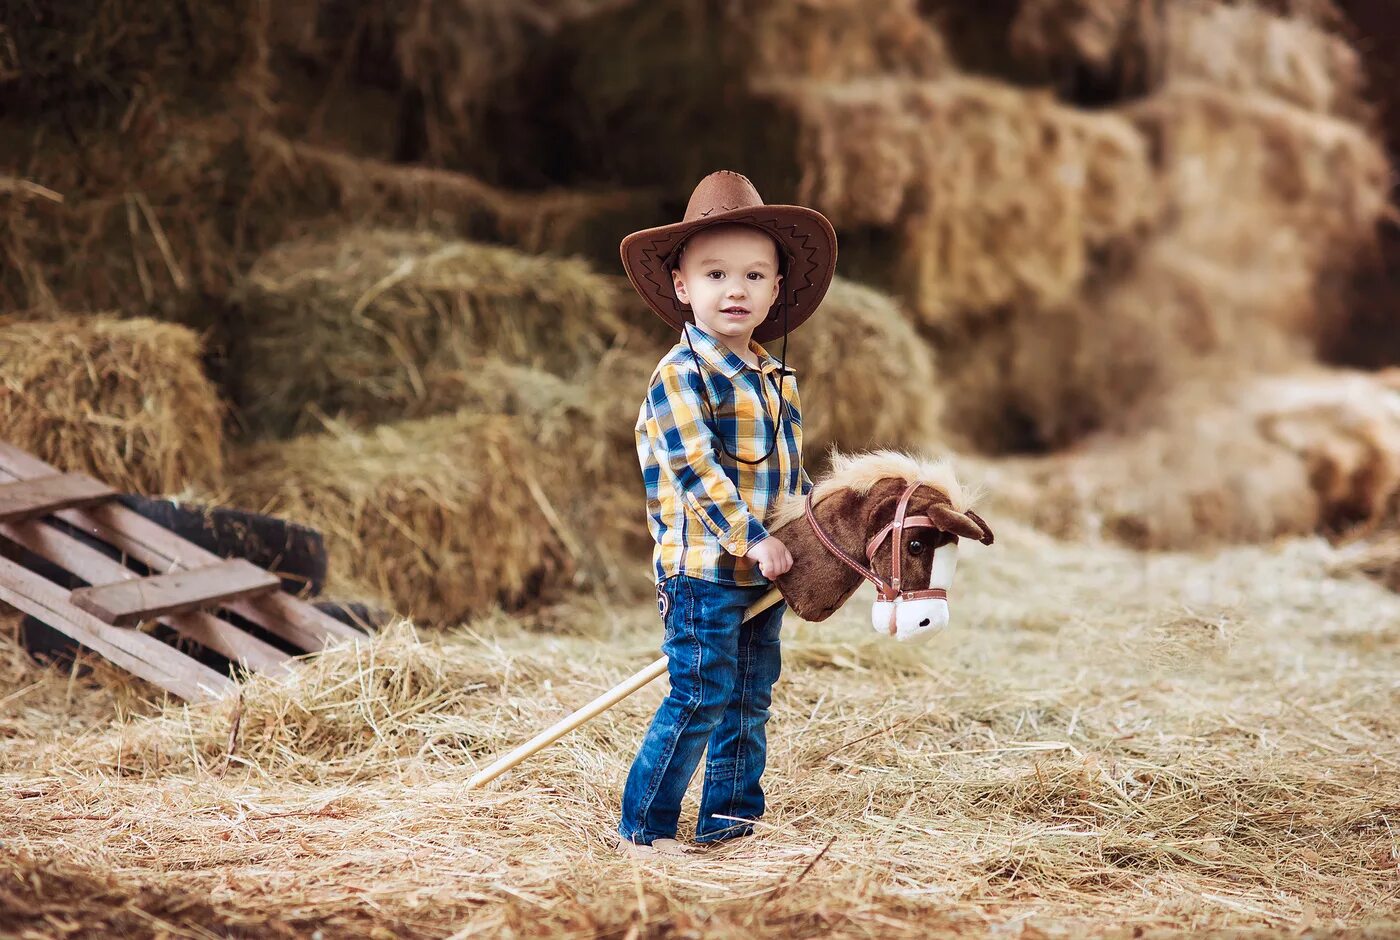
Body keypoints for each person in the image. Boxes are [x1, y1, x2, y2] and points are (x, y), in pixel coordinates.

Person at [615, 169, 838, 857]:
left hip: (765, 567)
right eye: (715, 275)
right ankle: (644, 831)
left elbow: (786, 474)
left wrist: (802, 528)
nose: (734, 290)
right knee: (700, 695)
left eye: (752, 276)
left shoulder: (776, 378)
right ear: (683, 287)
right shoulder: (681, 375)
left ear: (777, 290)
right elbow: (696, 471)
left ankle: (730, 826)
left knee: (747, 699)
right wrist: (750, 539)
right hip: (705, 570)